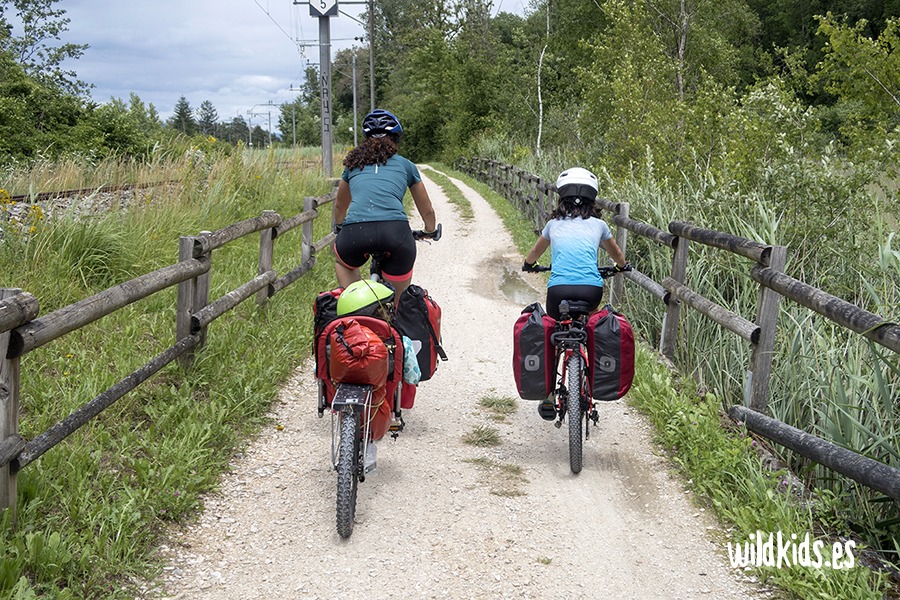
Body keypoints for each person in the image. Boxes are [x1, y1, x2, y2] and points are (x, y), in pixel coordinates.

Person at [332, 109, 437, 300]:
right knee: (399, 303)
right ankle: (395, 311)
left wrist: (339, 226)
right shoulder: (406, 165)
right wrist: (429, 230)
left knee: (344, 264)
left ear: (366, 140)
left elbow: (340, 206)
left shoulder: (352, 166)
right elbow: (427, 210)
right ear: (395, 139)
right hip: (396, 233)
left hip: (356, 233)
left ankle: (356, 305)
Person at [522, 167, 630, 320]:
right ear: (591, 199)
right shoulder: (599, 225)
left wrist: (529, 264)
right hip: (591, 291)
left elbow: (535, 251)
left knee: (553, 324)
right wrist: (621, 266)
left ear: (562, 198)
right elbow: (617, 253)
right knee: (593, 322)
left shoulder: (553, 224)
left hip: (558, 290)